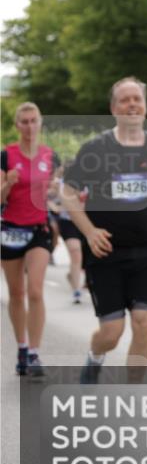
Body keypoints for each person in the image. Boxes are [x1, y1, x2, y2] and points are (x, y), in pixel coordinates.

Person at [63, 77, 147, 384]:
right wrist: (88, 232)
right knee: (112, 333)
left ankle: (133, 393)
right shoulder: (96, 148)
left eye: (137, 99)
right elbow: (68, 192)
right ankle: (96, 355)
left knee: (144, 323)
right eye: (125, 100)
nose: (132, 105)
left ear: (145, 106)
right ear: (114, 108)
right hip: (105, 252)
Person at [1, 102, 57, 377]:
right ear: (17, 125)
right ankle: (21, 346)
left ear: (40, 122)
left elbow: (55, 193)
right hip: (11, 229)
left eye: (34, 120)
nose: (29, 126)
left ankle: (34, 353)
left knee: (35, 290)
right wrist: (8, 183)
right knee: (16, 293)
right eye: (24, 121)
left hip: (38, 229)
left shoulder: (50, 155)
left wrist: (62, 194)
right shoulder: (6, 155)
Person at [53, 169, 86, 304]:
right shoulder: (62, 183)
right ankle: (76, 291)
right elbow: (53, 199)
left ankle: (74, 276)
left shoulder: (94, 180)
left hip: (88, 222)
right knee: (75, 251)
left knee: (86, 256)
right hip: (69, 222)